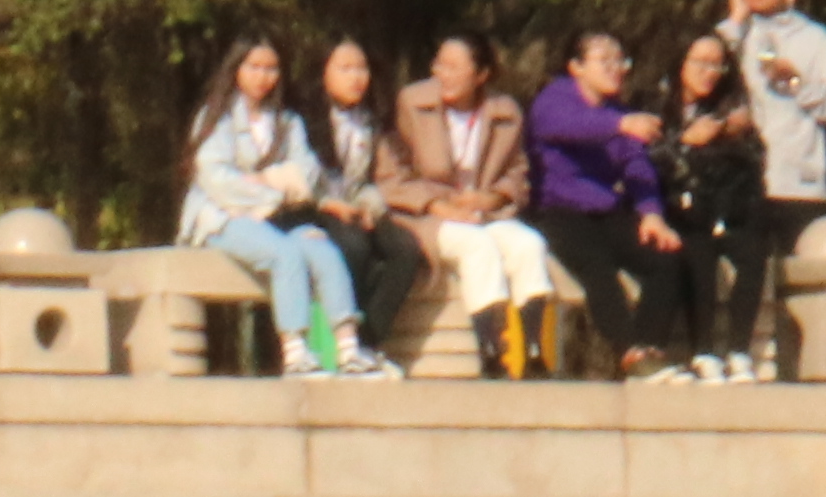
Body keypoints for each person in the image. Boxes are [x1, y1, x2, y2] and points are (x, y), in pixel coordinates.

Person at [181, 39, 395, 383]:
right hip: (223, 216)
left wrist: (265, 181)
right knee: (285, 254)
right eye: (254, 67)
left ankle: (348, 349)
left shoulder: (287, 121)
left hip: (281, 214)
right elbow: (216, 178)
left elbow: (305, 175)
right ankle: (295, 351)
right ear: (236, 70)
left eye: (271, 68)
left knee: (323, 250)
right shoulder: (216, 118)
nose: (263, 77)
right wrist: (274, 189)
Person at [387, 34, 567, 368]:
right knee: (477, 246)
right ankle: (491, 349)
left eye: (454, 67)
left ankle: (531, 350)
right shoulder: (412, 102)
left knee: (529, 245)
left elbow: (517, 172)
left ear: (481, 75)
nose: (443, 74)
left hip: (485, 212)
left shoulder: (505, 112)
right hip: (430, 214)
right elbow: (393, 176)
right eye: (440, 64)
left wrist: (491, 197)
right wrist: (440, 206)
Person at [526, 31, 684, 380]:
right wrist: (621, 124)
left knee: (665, 258)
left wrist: (652, 215)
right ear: (576, 67)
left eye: (620, 60)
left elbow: (636, 164)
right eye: (605, 60)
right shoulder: (554, 99)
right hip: (559, 211)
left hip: (606, 210)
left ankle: (650, 348)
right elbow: (564, 126)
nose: (616, 68)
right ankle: (630, 352)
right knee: (598, 269)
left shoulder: (618, 111)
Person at [305, 41, 435, 351]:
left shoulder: (371, 118)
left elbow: (372, 178)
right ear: (323, 74)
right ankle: (336, 344)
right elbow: (301, 180)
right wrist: (331, 205)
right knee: (354, 246)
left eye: (361, 68)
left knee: (404, 249)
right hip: (314, 206)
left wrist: (368, 207)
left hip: (356, 208)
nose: (356, 77)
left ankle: (368, 342)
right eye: (345, 68)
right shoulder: (303, 118)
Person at [656, 26, 766, 375]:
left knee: (753, 253)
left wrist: (737, 136)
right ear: (681, 63)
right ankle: (703, 350)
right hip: (679, 208)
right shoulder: (658, 104)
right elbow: (649, 161)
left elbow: (756, 159)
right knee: (698, 254)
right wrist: (687, 144)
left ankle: (739, 349)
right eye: (701, 63)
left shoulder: (730, 107)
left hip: (726, 205)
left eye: (717, 65)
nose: (709, 73)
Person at [733, 0, 826, 264]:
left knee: (800, 273)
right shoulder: (736, 32)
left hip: (799, 185)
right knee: (749, 275)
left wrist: (798, 84)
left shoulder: (815, 38)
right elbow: (702, 67)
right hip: (743, 182)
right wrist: (734, 23)